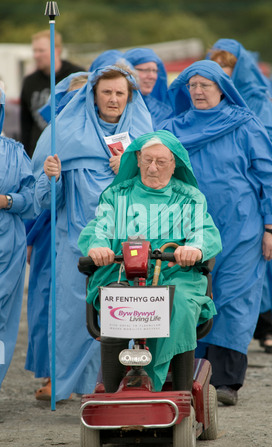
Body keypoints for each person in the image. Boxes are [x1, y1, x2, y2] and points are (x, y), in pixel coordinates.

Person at [158, 60, 272, 405]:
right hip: (186, 231)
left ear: (222, 89)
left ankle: (226, 382)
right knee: (190, 297)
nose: (198, 92)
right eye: (193, 86)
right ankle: (189, 374)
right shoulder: (170, 128)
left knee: (235, 300)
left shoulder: (245, 125)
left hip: (241, 230)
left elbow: (271, 177)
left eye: (206, 85)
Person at [32, 65, 153, 401]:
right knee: (72, 318)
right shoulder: (65, 136)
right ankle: (69, 384)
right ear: (93, 95)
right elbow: (45, 202)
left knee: (123, 316)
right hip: (76, 246)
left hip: (127, 248)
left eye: (120, 93)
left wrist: (129, 170)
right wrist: (51, 176)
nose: (113, 99)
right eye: (106, 92)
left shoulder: (144, 139)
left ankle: (114, 387)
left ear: (129, 98)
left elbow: (159, 194)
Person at [78, 130, 222, 393]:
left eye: (161, 162)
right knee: (115, 298)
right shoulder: (117, 194)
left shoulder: (189, 197)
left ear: (174, 163)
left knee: (179, 303)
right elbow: (99, 227)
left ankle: (180, 391)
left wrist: (195, 249)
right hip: (122, 272)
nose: (152, 168)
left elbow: (205, 232)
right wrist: (97, 246)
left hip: (176, 274)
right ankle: (112, 391)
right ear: (137, 160)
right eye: (147, 160)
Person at [207, 39, 272, 354]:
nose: (222, 72)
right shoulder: (209, 99)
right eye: (216, 66)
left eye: (227, 66)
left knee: (265, 262)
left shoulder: (259, 102)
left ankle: (265, 328)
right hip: (225, 203)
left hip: (260, 198)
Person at [25, 73, 89, 398]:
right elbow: (35, 183)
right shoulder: (54, 135)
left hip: (92, 230)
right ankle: (54, 373)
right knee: (51, 302)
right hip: (52, 229)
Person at [0, 85, 35, 388]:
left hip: (7, 250)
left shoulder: (13, 151)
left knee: (1, 323)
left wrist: (8, 201)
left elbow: (33, 200)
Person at [20, 29, 83, 157]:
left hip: (68, 152)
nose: (36, 55)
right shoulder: (29, 81)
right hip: (38, 152)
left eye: (41, 50)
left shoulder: (77, 76)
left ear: (57, 50)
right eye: (34, 51)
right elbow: (25, 124)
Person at [123, 48, 173, 128]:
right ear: (128, 71)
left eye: (155, 71)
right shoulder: (117, 107)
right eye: (146, 70)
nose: (152, 76)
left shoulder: (163, 110)